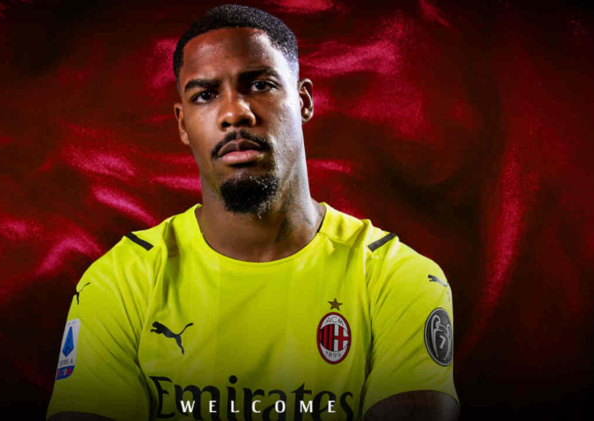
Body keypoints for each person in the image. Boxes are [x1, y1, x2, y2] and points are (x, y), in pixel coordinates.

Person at [47, 4, 458, 420]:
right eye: (205, 95)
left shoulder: (396, 278)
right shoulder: (120, 280)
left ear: (304, 101)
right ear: (183, 124)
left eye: (260, 85)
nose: (234, 113)